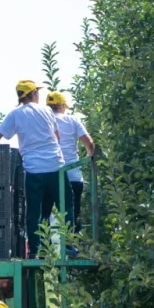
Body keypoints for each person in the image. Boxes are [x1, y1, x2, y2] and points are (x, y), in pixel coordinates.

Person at [0, 80, 65, 258]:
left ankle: (34, 251)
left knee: (34, 212)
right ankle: (69, 246)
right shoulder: (47, 111)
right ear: (33, 94)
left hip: (33, 170)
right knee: (65, 207)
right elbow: (57, 138)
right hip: (55, 167)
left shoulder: (15, 114)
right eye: (37, 92)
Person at [45, 91, 95, 232]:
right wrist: (90, 158)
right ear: (62, 106)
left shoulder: (43, 121)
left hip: (50, 173)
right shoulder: (73, 120)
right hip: (72, 174)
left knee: (45, 214)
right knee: (73, 213)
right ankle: (72, 242)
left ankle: (44, 243)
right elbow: (89, 144)